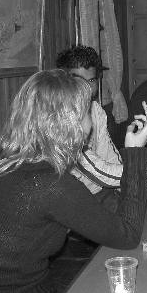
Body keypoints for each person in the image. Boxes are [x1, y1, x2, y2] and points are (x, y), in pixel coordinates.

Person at [0, 70, 147, 293]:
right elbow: (128, 235)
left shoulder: (6, 166)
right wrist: (135, 152)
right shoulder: (50, 184)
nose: (91, 120)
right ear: (70, 124)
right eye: (87, 112)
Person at [56, 45, 123, 201]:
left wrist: (127, 189)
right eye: (78, 80)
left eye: (91, 80)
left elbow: (110, 155)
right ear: (63, 81)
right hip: (73, 199)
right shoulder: (62, 116)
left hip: (102, 191)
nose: (86, 87)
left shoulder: (96, 110)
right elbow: (94, 169)